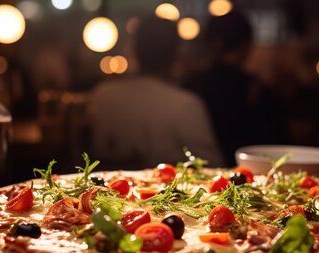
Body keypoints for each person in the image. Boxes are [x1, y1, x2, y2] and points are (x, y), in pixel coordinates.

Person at [87, 15, 224, 169]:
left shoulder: (102, 95)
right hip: (169, 190)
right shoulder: (185, 105)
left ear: (135, 50)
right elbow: (213, 167)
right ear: (176, 52)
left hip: (108, 188)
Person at [184, 10, 288, 166]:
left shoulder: (191, 84)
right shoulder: (258, 90)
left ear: (211, 44)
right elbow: (280, 144)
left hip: (201, 170)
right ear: (246, 45)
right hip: (253, 173)